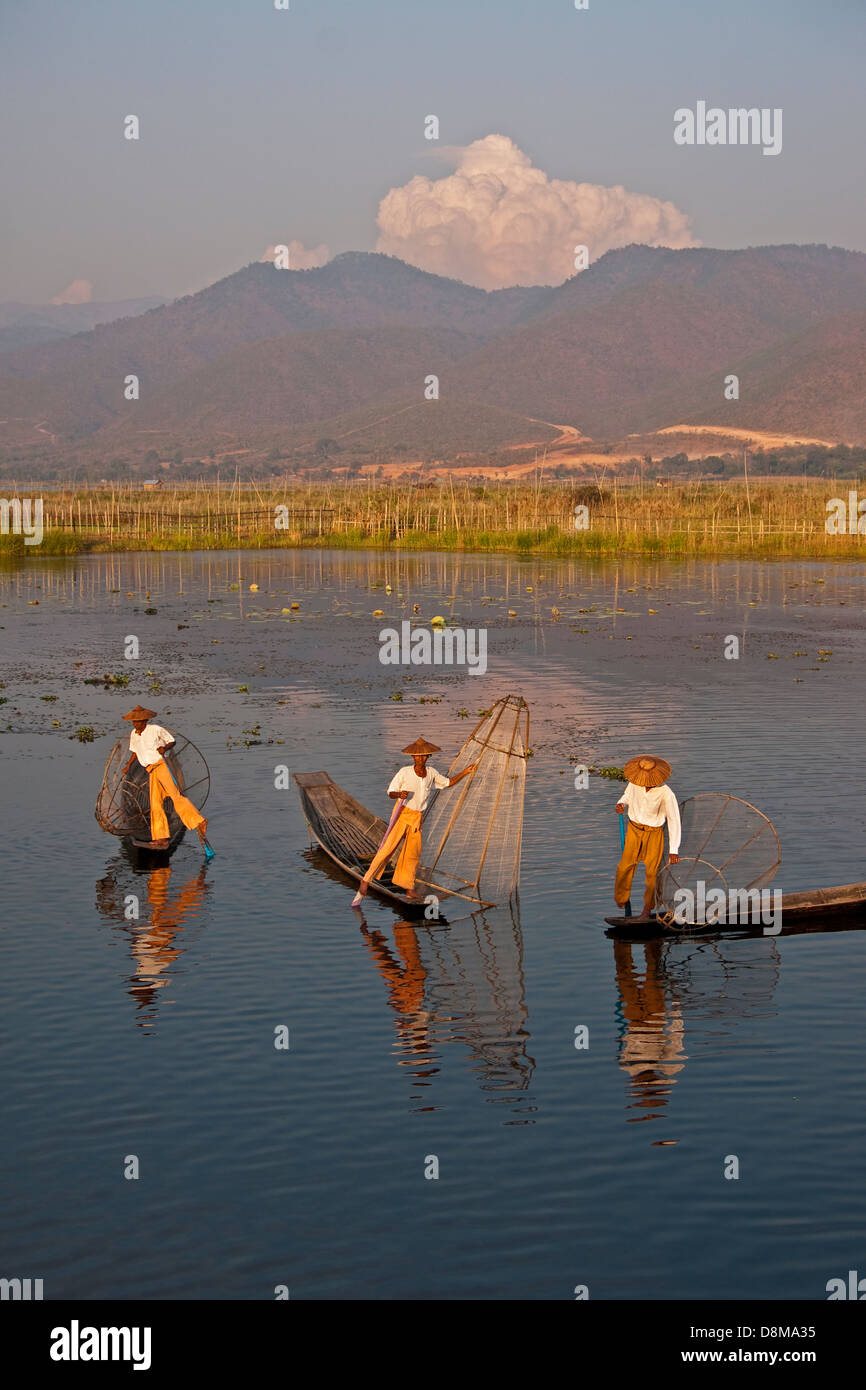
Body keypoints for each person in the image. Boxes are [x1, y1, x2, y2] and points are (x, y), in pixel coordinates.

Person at [353, 737, 478, 902]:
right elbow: (390, 792)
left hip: (417, 818)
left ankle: (409, 888)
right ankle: (365, 880)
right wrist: (399, 794)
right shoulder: (404, 772)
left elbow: (448, 783)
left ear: (428, 757)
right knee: (388, 848)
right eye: (418, 756)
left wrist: (466, 771)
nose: (421, 759)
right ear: (413, 757)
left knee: (413, 855)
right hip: (402, 814)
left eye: (424, 756)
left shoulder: (431, 773)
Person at [119, 705, 209, 851]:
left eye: (139, 721)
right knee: (155, 803)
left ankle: (199, 821)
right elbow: (135, 752)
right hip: (151, 770)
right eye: (134, 722)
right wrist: (128, 766)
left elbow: (172, 741)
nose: (136, 724)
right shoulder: (134, 734)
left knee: (175, 795)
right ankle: (161, 837)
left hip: (161, 765)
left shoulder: (155, 729)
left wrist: (165, 748)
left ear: (145, 721)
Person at [614, 755, 680, 921]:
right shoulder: (635, 783)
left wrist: (674, 850)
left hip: (654, 833)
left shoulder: (666, 793)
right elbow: (627, 796)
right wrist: (621, 803)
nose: (646, 781)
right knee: (625, 867)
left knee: (652, 873)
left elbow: (674, 820)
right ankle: (622, 898)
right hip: (634, 830)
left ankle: (646, 911)